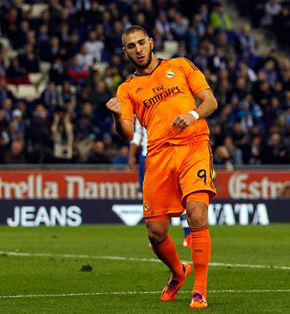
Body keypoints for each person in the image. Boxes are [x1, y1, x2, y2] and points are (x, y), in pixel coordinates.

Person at [106, 25, 217, 309]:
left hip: (194, 145)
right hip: (157, 154)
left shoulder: (180, 65)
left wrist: (192, 114)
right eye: (132, 46)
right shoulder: (127, 88)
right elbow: (128, 134)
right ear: (125, 51)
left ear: (152, 42)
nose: (138, 49)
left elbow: (210, 102)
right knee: (156, 232)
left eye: (142, 43)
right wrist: (118, 118)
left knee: (196, 212)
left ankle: (200, 291)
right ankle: (179, 272)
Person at [129, 117, 192, 246]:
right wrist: (131, 156)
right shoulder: (139, 110)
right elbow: (137, 135)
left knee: (176, 194)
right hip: (146, 157)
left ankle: (188, 234)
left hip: (166, 154)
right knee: (154, 198)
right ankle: (160, 236)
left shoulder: (166, 105)